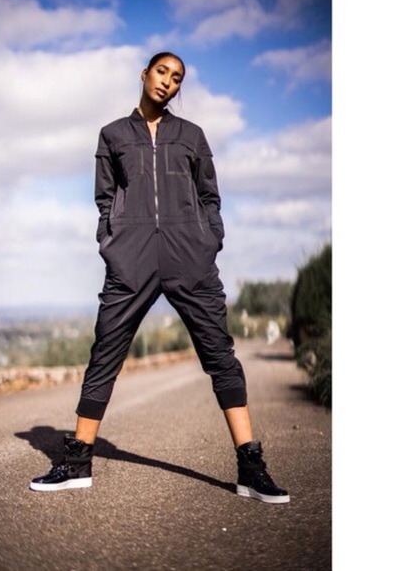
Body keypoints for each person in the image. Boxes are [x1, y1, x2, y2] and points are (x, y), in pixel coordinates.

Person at [30, 52, 289, 504]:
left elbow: (210, 196)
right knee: (105, 353)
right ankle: (77, 462)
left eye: (177, 78)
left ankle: (250, 468)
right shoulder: (113, 135)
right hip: (130, 261)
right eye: (162, 72)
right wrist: (113, 241)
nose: (168, 81)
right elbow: (104, 198)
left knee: (219, 355)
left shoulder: (192, 136)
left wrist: (208, 239)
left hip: (190, 258)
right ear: (145, 74)